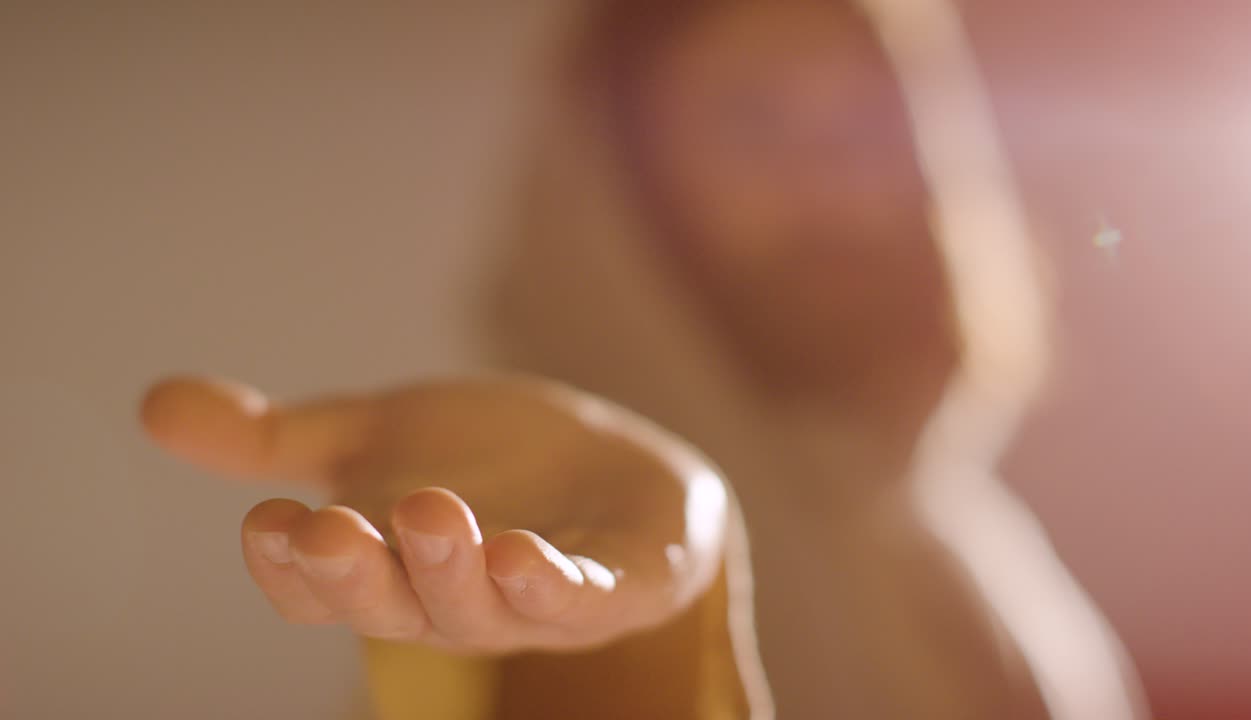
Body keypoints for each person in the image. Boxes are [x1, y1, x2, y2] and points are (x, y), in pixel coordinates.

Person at [141, 0, 1148, 718]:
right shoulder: (545, 533)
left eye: (864, 122)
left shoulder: (983, 545)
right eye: (752, 118)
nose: (828, 176)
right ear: (617, 186)